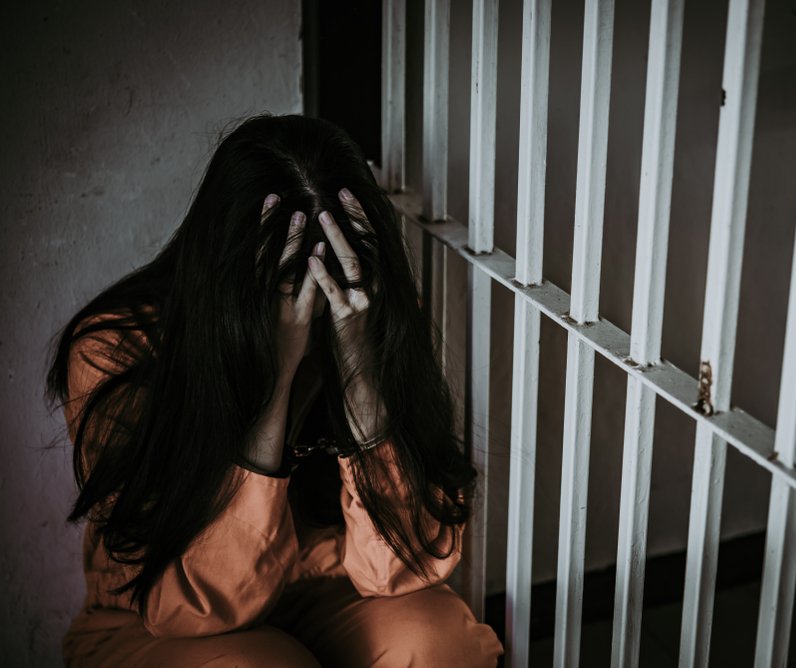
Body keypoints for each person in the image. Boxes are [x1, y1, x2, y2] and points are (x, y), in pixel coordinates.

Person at [47, 114, 504, 667]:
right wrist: (275, 377)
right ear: (225, 273)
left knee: (437, 642)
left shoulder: (361, 316)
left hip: (327, 588)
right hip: (164, 614)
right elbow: (186, 606)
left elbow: (399, 569)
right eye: (287, 281)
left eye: (332, 274)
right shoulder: (118, 352)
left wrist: (360, 365)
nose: (311, 305)